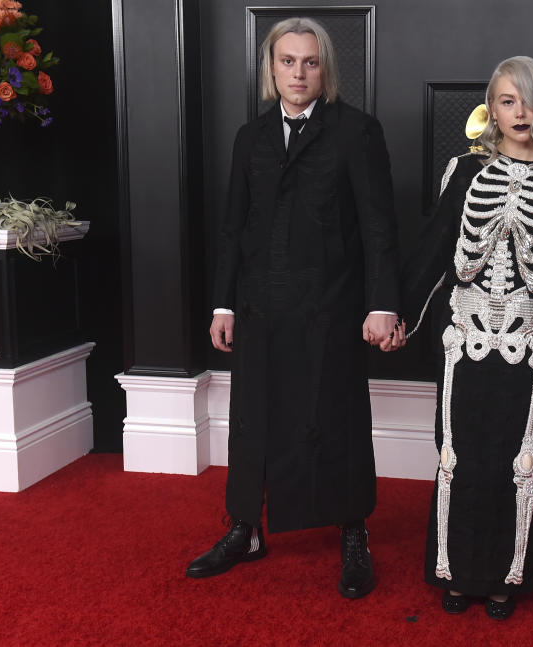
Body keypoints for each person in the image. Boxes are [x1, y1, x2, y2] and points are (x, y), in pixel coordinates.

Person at [187, 17, 405, 600]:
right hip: (259, 304)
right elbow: (234, 227)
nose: (299, 73)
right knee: (252, 419)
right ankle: (244, 529)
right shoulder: (249, 137)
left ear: (324, 68)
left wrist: (383, 303)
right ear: (272, 68)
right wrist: (222, 304)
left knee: (338, 415)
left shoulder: (356, 132)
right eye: (288, 61)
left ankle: (353, 532)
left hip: (331, 304)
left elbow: (380, 225)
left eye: (310, 62)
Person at [403, 56, 533, 619]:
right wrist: (399, 317)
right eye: (508, 101)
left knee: (521, 463)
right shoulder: (463, 172)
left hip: (530, 347)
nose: (520, 112)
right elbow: (435, 252)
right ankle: (455, 574)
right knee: (457, 458)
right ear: (492, 107)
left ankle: (508, 578)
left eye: (529, 100)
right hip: (464, 342)